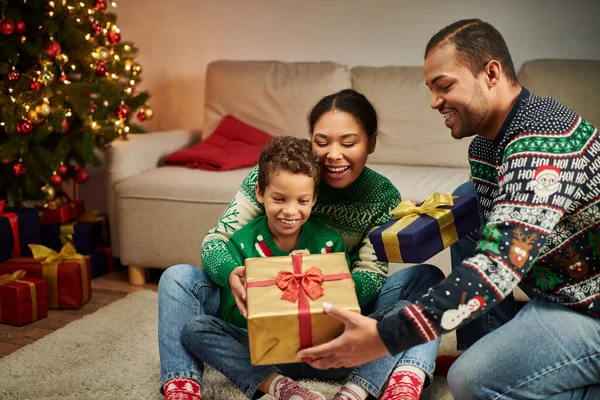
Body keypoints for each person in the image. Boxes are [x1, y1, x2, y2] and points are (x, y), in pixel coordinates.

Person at [297, 19, 600, 399]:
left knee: (470, 381)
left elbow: (501, 263)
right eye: (431, 89)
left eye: (444, 86)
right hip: (559, 286)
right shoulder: (487, 145)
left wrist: (388, 336)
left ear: (491, 73)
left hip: (588, 305)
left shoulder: (541, 145)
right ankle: (484, 345)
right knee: (465, 199)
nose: (434, 101)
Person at [158, 89, 445, 400]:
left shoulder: (381, 195)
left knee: (426, 279)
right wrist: (234, 274)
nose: (334, 154)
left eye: (348, 143)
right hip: (258, 313)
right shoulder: (275, 175)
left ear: (371, 143)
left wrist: (321, 291)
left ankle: (405, 375)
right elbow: (217, 240)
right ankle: (182, 383)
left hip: (337, 317)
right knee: (177, 278)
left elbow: (370, 273)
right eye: (322, 142)